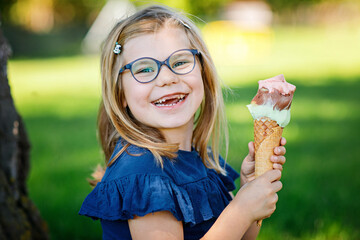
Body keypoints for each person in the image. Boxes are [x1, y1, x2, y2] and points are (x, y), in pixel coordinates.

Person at [79, 5, 287, 240]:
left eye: (179, 62)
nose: (167, 78)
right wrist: (240, 210)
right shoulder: (144, 176)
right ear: (121, 94)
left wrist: (248, 193)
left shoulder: (201, 159)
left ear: (203, 72)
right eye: (145, 69)